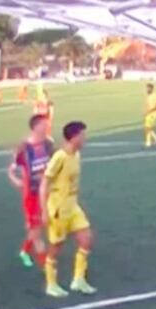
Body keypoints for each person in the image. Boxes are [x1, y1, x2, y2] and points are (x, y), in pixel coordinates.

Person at [40, 121, 97, 298]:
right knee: (56, 247)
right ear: (74, 137)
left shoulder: (77, 154)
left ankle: (78, 280)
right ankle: (51, 283)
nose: (85, 138)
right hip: (59, 208)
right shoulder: (60, 157)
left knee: (86, 239)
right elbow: (44, 183)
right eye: (83, 135)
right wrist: (44, 211)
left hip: (73, 206)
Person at [7, 114, 54, 268]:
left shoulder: (49, 144)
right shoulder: (23, 148)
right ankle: (46, 268)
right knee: (36, 229)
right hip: (31, 195)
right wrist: (17, 181)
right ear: (35, 127)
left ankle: (25, 250)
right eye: (44, 125)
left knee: (43, 227)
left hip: (48, 192)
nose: (47, 127)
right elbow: (11, 170)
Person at [144, 83, 156, 148]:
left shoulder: (154, 96)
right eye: (146, 88)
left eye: (148, 88)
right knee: (148, 128)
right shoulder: (148, 96)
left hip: (152, 114)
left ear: (151, 89)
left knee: (147, 128)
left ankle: (148, 142)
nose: (147, 89)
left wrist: (149, 111)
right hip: (149, 113)